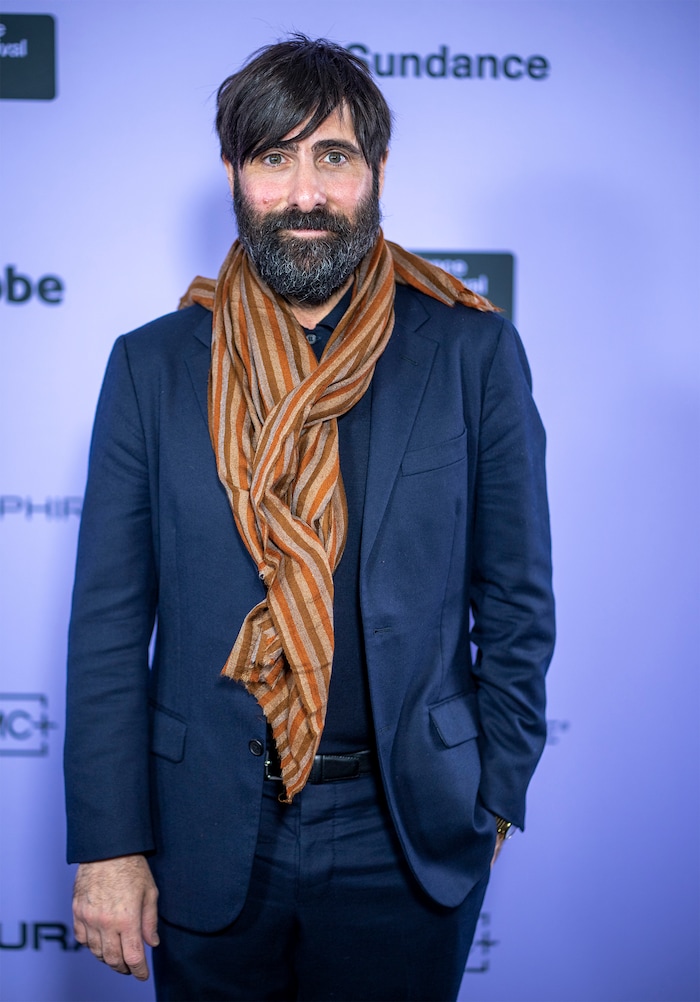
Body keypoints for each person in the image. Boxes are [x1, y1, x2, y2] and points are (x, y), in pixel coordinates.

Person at [64, 34, 554, 1002]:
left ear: (374, 172)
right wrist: (111, 846)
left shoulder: (470, 353)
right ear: (236, 176)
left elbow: (516, 596)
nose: (303, 193)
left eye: (331, 156)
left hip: (405, 831)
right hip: (207, 828)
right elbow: (110, 626)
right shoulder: (153, 367)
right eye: (273, 158)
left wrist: (492, 793)